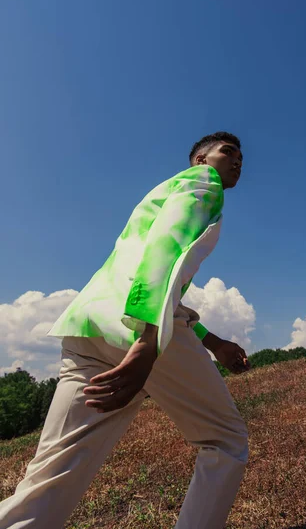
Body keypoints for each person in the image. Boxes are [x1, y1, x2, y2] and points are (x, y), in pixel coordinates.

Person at [0, 132, 250, 529]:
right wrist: (148, 339)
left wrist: (212, 341)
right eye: (228, 152)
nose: (238, 161)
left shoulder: (160, 194)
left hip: (88, 329)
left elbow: (155, 278)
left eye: (241, 157)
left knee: (51, 472)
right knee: (225, 442)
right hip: (138, 331)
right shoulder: (204, 183)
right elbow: (166, 250)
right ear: (200, 160)